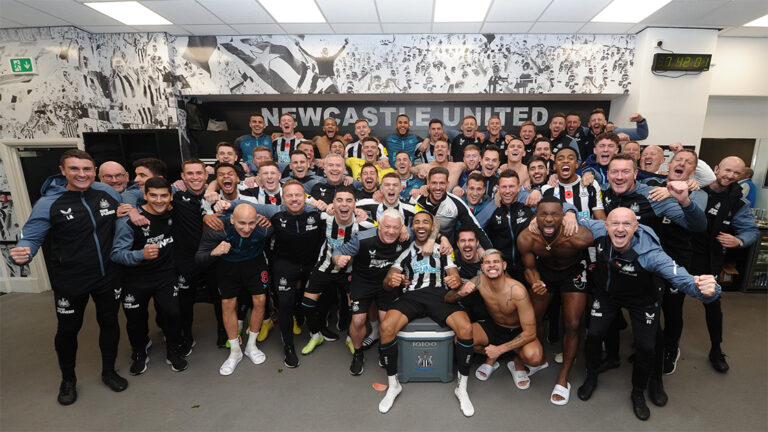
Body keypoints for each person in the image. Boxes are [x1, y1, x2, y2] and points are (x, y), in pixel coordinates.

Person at [576, 208, 720, 421]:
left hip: (642, 300)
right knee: (594, 334)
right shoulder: (599, 229)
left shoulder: (651, 253)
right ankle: (592, 376)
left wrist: (708, 290)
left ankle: (639, 391)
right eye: (614, 224)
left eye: (627, 224)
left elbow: (681, 278)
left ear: (636, 227)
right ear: (606, 226)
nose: (620, 229)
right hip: (609, 295)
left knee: (646, 346)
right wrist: (569, 213)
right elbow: (576, 216)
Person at [11, 149, 128, 405]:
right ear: (63, 170)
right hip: (70, 278)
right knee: (67, 330)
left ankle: (109, 371)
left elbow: (126, 211)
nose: (81, 174)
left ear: (94, 171)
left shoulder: (107, 193)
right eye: (74, 169)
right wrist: (25, 252)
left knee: (109, 322)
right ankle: (68, 380)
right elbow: (31, 236)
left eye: (87, 169)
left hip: (108, 274)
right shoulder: (48, 203)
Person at [377, 212, 475, 417]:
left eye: (426, 222)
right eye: (417, 222)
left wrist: (456, 282)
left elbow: (454, 275)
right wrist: (391, 282)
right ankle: (393, 384)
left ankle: (462, 387)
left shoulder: (443, 250)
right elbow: (387, 282)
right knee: (386, 327)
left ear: (433, 228)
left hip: (439, 295)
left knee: (465, 328)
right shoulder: (405, 253)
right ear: (412, 227)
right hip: (412, 295)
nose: (421, 225)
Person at [518, 196, 594, 405]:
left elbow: (604, 238)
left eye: (554, 214)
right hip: (545, 273)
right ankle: (539, 359)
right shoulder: (527, 238)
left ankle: (564, 376)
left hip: (573, 273)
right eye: (543, 214)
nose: (549, 219)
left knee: (572, 323)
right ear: (536, 217)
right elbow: (530, 268)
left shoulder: (579, 237)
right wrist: (535, 283)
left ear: (563, 216)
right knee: (535, 317)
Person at [111, 177, 188, 375]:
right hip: (136, 279)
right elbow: (116, 254)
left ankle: (173, 351)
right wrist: (140, 255)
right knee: (135, 319)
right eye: (153, 195)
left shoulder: (173, 213)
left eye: (164, 196)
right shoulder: (129, 221)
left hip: (165, 276)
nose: (159, 200)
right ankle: (138, 352)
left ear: (171, 197)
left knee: (172, 313)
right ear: (145, 196)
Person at [689, 156, 759, 373]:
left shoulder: (738, 202)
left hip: (710, 261)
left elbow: (751, 231)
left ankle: (716, 349)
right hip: (683, 256)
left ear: (742, 176)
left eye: (736, 173)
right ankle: (661, 346)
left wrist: (738, 240)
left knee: (712, 306)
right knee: (668, 305)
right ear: (717, 169)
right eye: (727, 170)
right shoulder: (696, 190)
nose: (730, 176)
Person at [445, 249, 546, 387]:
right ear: (482, 267)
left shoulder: (517, 291)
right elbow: (448, 299)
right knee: (461, 340)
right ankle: (494, 355)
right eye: (487, 262)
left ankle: (517, 360)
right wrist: (461, 293)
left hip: (517, 331)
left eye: (496, 262)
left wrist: (499, 349)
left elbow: (530, 333)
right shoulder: (479, 281)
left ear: (504, 265)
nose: (491, 265)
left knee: (535, 358)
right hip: (494, 326)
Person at [332, 209, 412, 376]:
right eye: (387, 226)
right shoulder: (362, 238)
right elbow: (338, 251)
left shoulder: (405, 235)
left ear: (402, 228)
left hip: (388, 283)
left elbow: (431, 227)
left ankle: (384, 350)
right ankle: (358, 353)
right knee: (359, 320)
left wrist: (440, 239)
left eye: (396, 228)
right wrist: (338, 259)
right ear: (379, 226)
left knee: (386, 321)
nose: (391, 231)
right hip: (363, 282)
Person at [195, 203, 271, 375]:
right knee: (228, 304)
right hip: (228, 267)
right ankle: (235, 350)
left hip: (254, 264)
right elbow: (199, 258)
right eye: (241, 223)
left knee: (260, 301)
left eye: (251, 223)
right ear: (232, 219)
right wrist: (214, 252)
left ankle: (251, 345)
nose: (246, 228)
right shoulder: (217, 228)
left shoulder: (264, 228)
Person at [300, 186, 371, 355]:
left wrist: (405, 229)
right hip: (325, 267)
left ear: (355, 204)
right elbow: (298, 198)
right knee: (307, 305)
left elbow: (387, 227)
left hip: (350, 272)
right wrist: (320, 205)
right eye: (339, 200)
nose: (344, 204)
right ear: (333, 203)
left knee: (353, 309)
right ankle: (316, 335)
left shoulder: (364, 224)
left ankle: (350, 338)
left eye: (349, 201)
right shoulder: (325, 218)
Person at [172, 159, 212, 354]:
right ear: (183, 177)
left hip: (213, 256)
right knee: (184, 302)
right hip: (186, 259)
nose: (195, 177)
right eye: (190, 174)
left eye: (199, 173)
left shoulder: (215, 196)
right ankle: (186, 337)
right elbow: (143, 192)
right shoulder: (175, 196)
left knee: (221, 297)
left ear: (206, 175)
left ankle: (224, 333)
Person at [412, 167, 493, 249]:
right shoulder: (417, 199)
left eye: (442, 183)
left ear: (447, 184)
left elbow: (477, 230)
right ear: (428, 183)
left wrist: (491, 253)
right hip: (418, 246)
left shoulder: (455, 203)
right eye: (434, 183)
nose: (438, 187)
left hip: (447, 249)